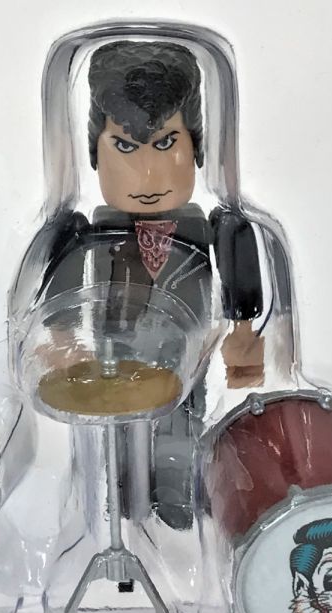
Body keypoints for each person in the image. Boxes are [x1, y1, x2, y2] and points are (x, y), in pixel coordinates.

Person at [24, 40, 266, 529]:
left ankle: (177, 498)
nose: (147, 172)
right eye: (125, 147)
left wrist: (244, 337)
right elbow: (61, 287)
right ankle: (117, 505)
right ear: (94, 152)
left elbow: (241, 283)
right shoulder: (87, 233)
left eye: (166, 144)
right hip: (112, 359)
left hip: (186, 358)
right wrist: (61, 339)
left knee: (181, 430)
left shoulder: (215, 229)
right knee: (109, 443)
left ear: (196, 147)